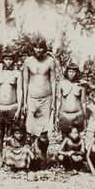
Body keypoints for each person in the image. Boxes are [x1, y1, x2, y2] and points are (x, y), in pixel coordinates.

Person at [23, 36, 56, 169]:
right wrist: (24, 102)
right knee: (30, 131)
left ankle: (43, 159)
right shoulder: (28, 61)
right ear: (32, 48)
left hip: (46, 99)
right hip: (31, 99)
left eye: (41, 47)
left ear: (44, 48)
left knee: (44, 132)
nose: (38, 50)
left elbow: (53, 81)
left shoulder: (50, 61)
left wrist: (54, 100)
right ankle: (31, 161)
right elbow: (25, 82)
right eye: (36, 47)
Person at [0, 48, 22, 167]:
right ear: (2, 60)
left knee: (10, 135)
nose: (8, 62)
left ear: (13, 61)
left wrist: (19, 109)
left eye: (10, 59)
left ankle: (8, 157)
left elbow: (19, 91)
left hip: (12, 107)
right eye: (6, 59)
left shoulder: (16, 74)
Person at [57, 63, 86, 137]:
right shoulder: (61, 83)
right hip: (64, 115)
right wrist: (56, 115)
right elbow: (59, 100)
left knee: (76, 139)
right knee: (65, 138)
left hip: (77, 115)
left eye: (74, 72)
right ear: (66, 72)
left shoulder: (81, 85)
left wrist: (84, 117)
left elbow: (83, 102)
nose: (72, 74)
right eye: (70, 71)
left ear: (77, 73)